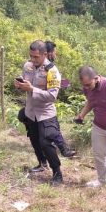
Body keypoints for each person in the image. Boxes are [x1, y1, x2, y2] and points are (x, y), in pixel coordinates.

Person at [15, 40, 65, 186]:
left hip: (46, 112)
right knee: (34, 140)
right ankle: (42, 164)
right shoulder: (28, 66)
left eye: (36, 57)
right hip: (31, 111)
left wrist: (32, 89)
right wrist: (19, 85)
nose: (33, 59)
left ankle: (57, 173)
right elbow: (26, 83)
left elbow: (52, 96)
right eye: (31, 56)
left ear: (44, 54)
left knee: (46, 142)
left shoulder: (52, 71)